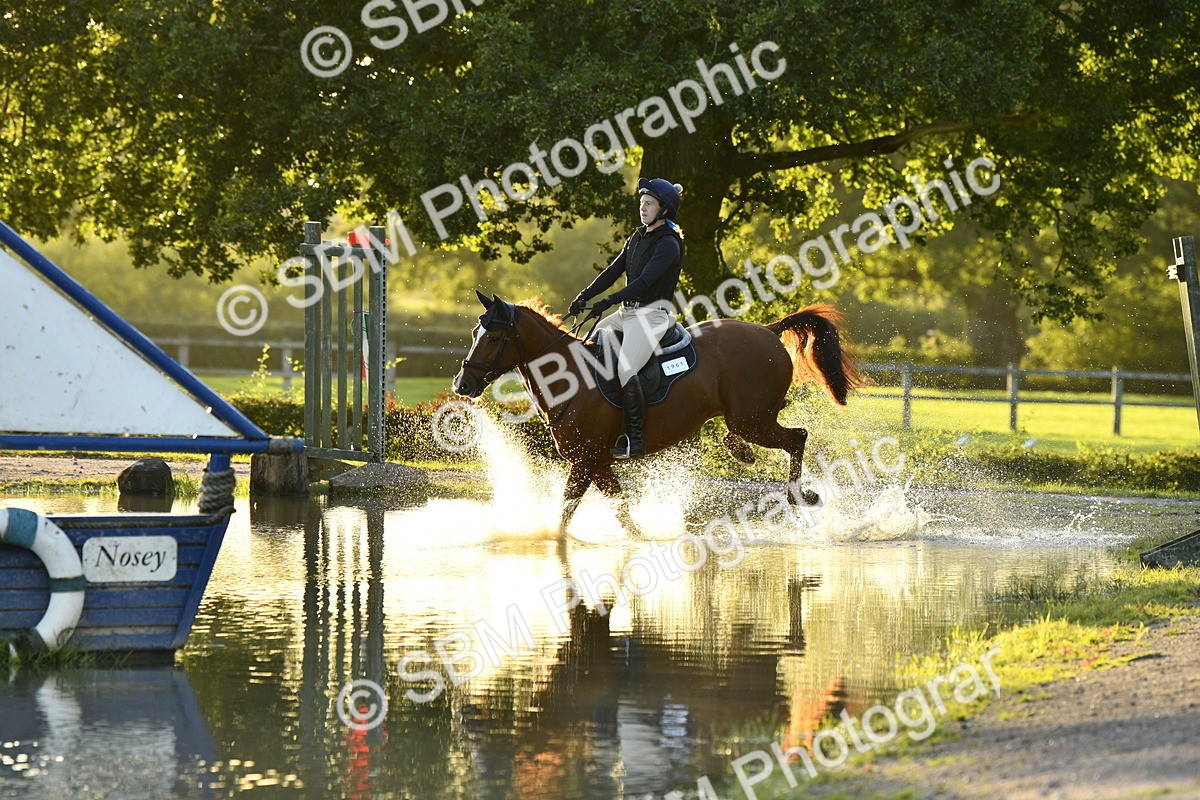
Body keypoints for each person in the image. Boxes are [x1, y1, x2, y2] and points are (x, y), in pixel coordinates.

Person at [568, 177, 684, 459]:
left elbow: (644, 282)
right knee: (587, 347)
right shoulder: (637, 237)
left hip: (651, 317)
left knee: (625, 370)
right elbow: (612, 272)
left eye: (649, 204)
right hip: (626, 314)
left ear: (663, 209)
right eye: (641, 203)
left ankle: (635, 439)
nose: (643, 208)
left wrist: (607, 301)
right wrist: (585, 296)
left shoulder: (668, 243)